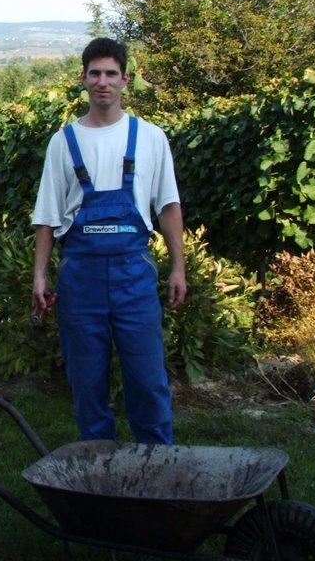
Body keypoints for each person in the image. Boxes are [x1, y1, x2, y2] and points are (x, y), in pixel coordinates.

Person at [31, 37, 186, 445]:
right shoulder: (63, 142)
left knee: (148, 380)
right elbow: (47, 215)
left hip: (133, 275)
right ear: (82, 78)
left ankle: (157, 468)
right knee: (87, 384)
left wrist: (177, 267)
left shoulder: (151, 138)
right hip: (79, 278)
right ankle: (99, 475)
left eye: (111, 74)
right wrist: (40, 274)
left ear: (125, 80)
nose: (103, 81)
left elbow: (168, 206)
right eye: (95, 73)